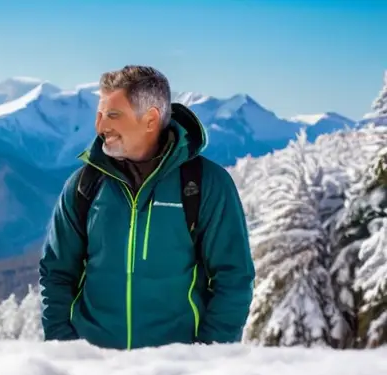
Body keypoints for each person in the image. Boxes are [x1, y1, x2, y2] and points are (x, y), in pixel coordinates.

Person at [39, 66, 255, 350]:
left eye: (113, 115)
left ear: (151, 119)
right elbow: (56, 272)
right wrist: (63, 348)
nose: (100, 126)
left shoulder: (204, 185)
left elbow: (233, 278)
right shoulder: (84, 185)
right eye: (100, 115)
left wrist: (208, 357)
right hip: (92, 367)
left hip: (175, 371)